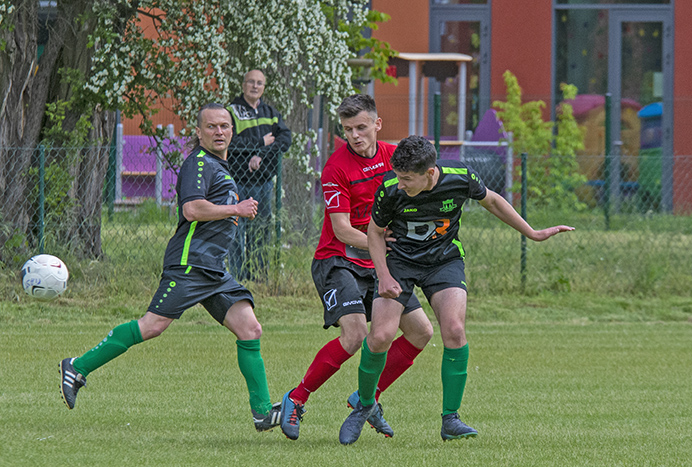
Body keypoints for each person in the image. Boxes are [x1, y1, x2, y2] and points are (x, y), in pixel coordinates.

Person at [59, 103, 282, 432]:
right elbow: (192, 209)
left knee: (250, 329)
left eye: (224, 126)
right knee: (152, 326)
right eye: (211, 126)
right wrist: (235, 208)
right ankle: (77, 367)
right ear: (199, 132)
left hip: (213, 270)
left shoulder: (219, 166)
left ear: (232, 130)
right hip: (190, 264)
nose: (219, 131)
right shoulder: (199, 163)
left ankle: (262, 411)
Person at [339, 135, 575, 445]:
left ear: (430, 172)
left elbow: (492, 200)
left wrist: (531, 233)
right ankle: (365, 405)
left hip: (443, 260)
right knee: (381, 335)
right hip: (400, 262)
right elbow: (374, 232)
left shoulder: (460, 177)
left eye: (407, 178)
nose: (401, 184)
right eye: (398, 176)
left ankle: (450, 419)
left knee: (454, 330)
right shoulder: (390, 189)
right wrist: (383, 276)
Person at [278, 95, 435, 441]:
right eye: (348, 129)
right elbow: (343, 230)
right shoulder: (336, 167)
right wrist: (386, 244)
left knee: (421, 332)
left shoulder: (395, 158)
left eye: (361, 127)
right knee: (355, 335)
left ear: (377, 124)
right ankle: (297, 398)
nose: (354, 135)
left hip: (378, 262)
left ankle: (367, 398)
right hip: (339, 260)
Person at [226, 69, 292, 281]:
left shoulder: (270, 113)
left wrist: (261, 154)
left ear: (264, 87)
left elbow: (285, 139)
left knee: (261, 231)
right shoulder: (231, 111)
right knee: (236, 231)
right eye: (251, 82)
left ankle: (259, 276)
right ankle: (237, 277)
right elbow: (229, 141)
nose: (255, 86)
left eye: (259, 83)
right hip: (237, 181)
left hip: (262, 183)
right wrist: (259, 142)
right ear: (243, 85)